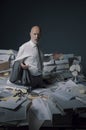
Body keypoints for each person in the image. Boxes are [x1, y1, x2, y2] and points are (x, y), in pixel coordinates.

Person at [10, 25, 62, 90]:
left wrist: (52, 57)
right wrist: (21, 65)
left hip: (39, 78)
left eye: (38, 34)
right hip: (30, 78)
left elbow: (42, 59)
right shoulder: (24, 47)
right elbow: (16, 62)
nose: (36, 37)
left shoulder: (39, 47)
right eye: (34, 34)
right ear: (30, 34)